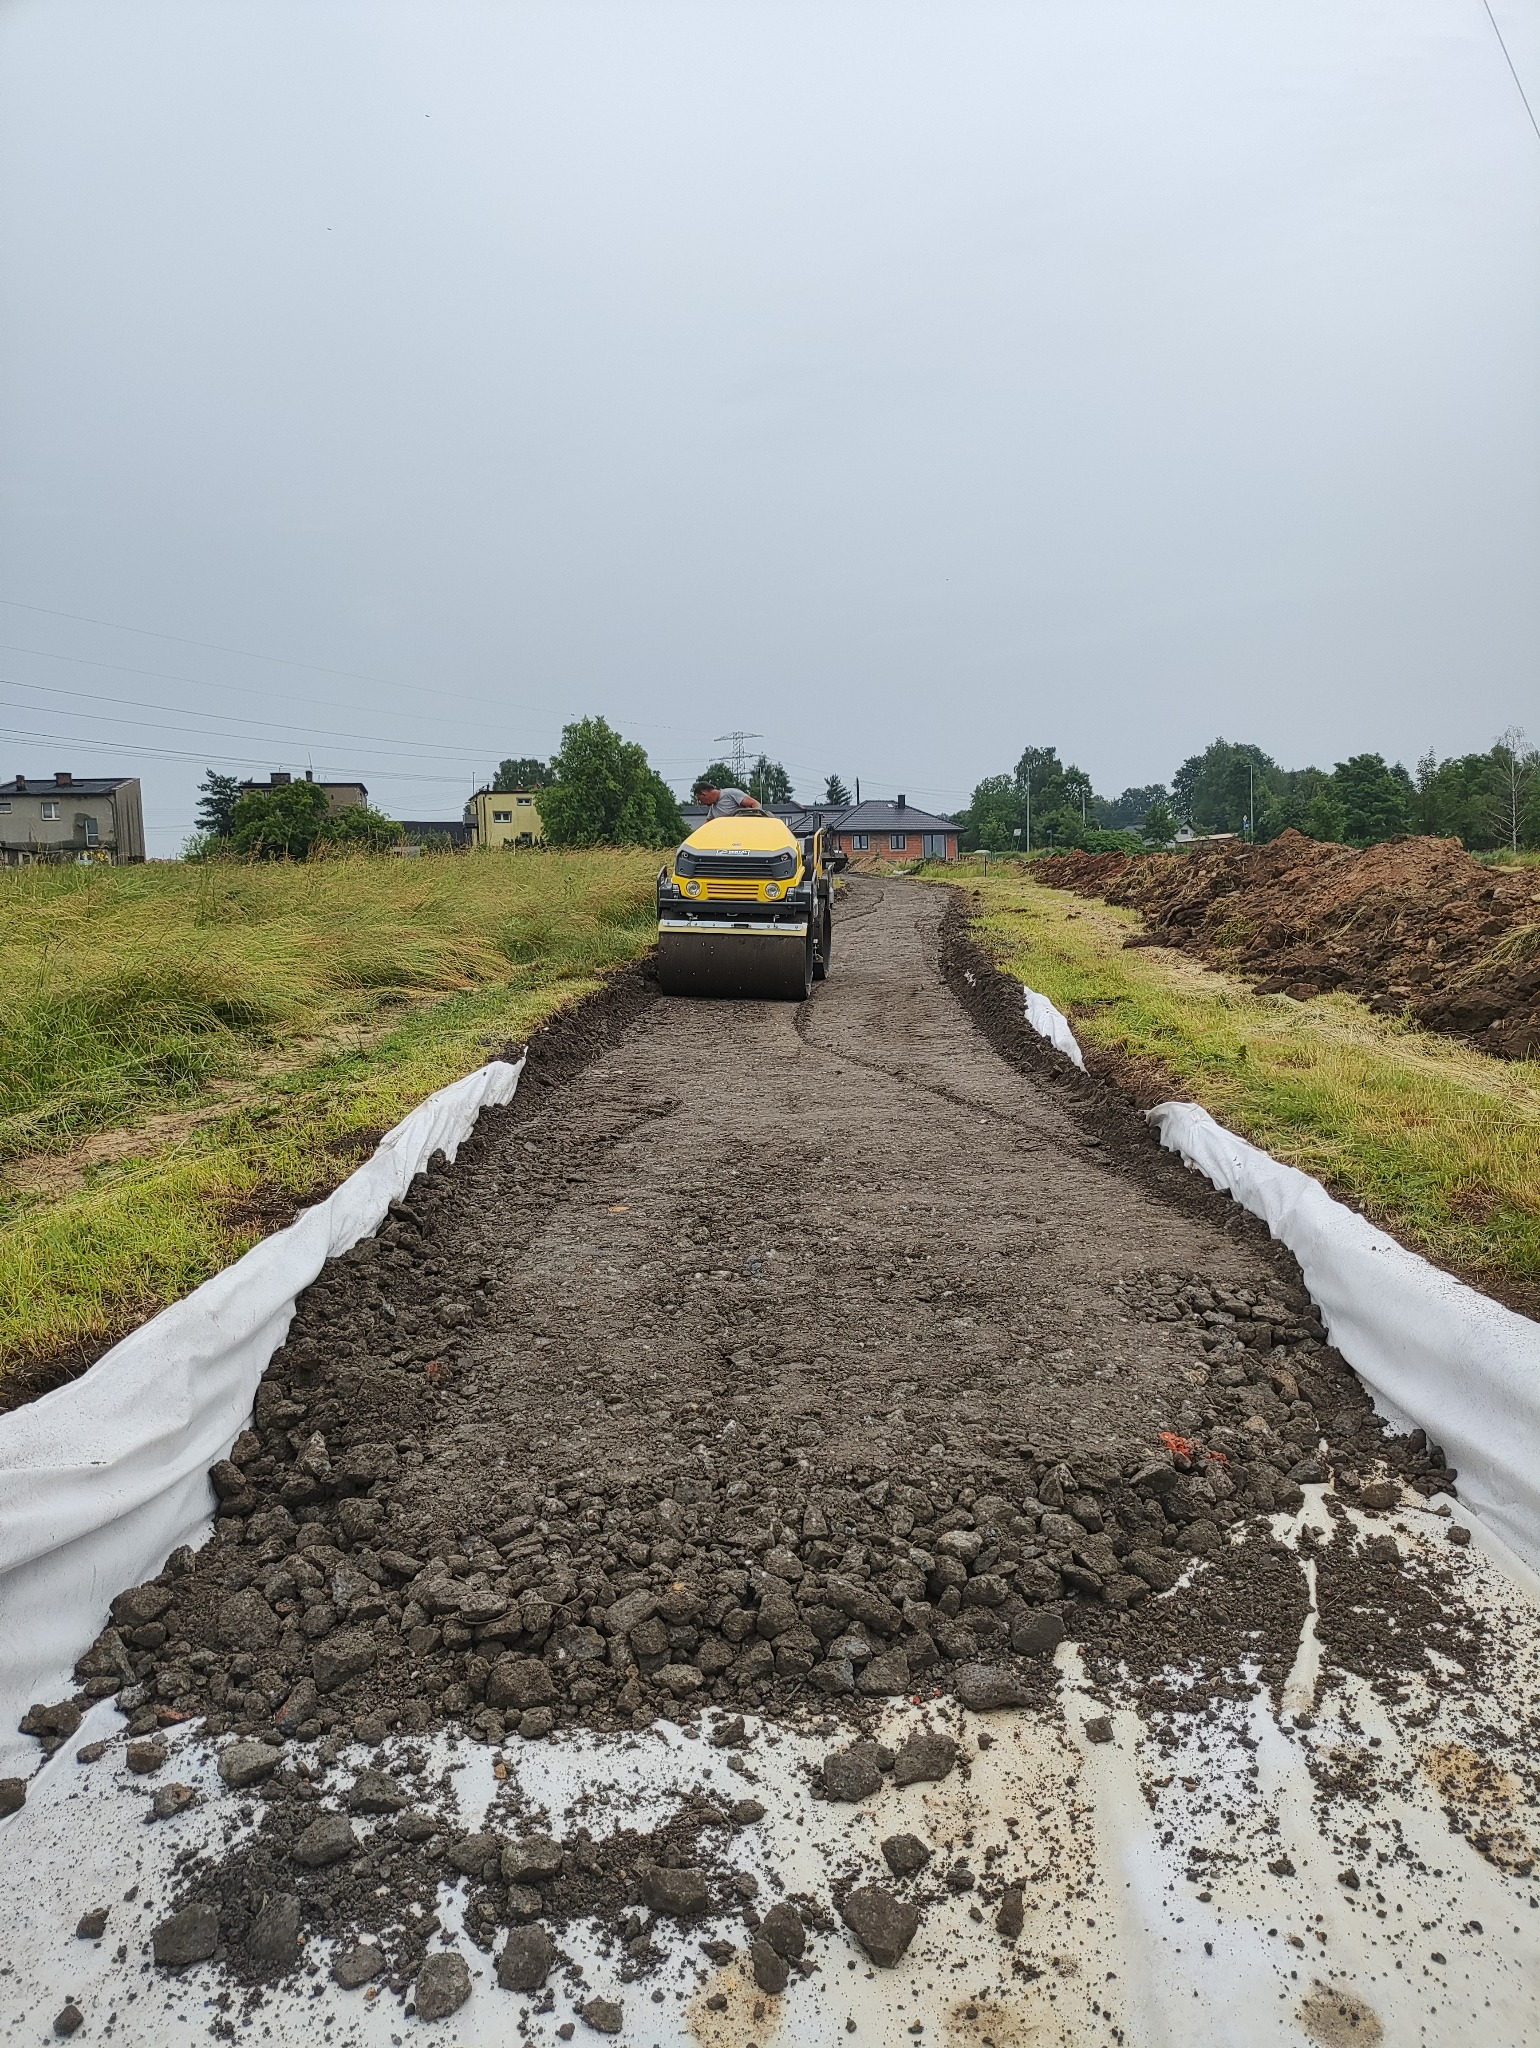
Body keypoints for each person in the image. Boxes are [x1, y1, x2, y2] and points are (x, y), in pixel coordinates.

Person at [693, 784, 762, 819]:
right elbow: (708, 823)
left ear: (704, 795)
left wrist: (754, 820)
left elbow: (755, 804)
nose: (702, 803)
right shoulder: (713, 808)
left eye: (700, 800)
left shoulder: (731, 794)